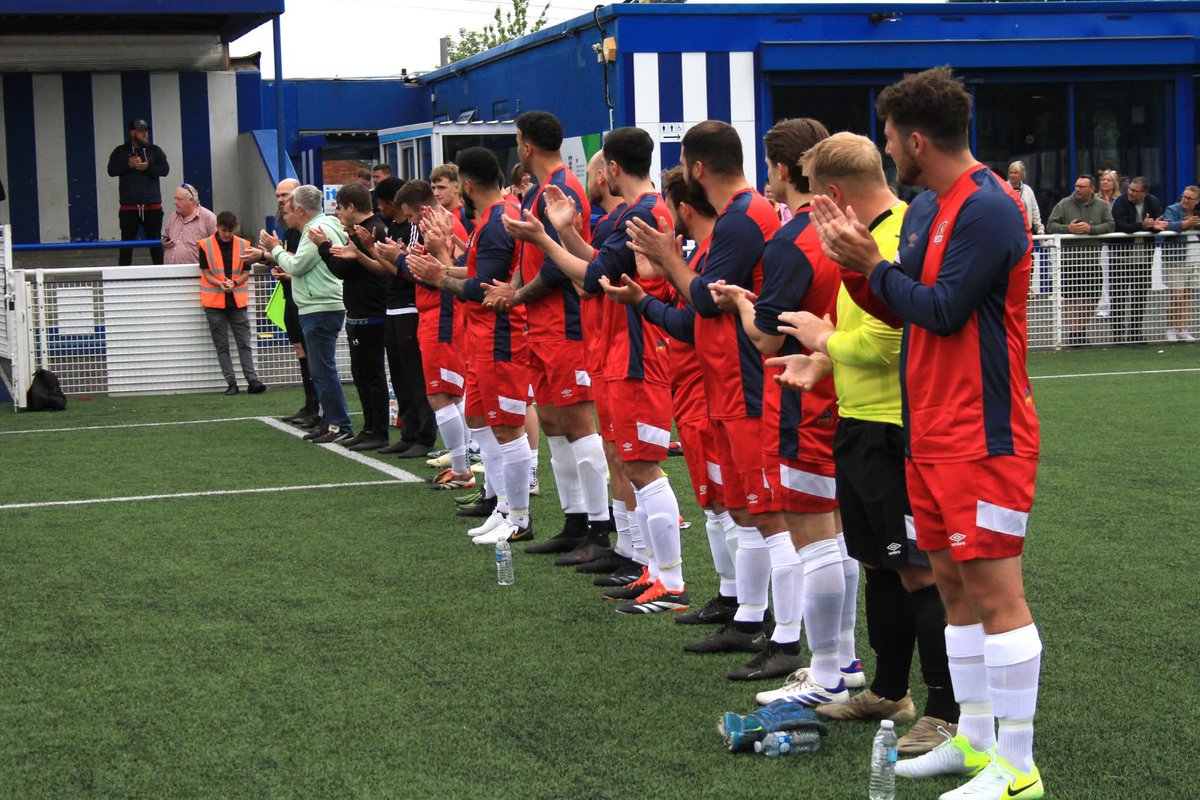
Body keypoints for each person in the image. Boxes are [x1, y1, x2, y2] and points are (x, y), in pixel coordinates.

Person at [811, 66, 1044, 800]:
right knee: (950, 583)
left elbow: (941, 309)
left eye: (889, 139)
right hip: (930, 429)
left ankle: (1018, 770)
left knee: (996, 591)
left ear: (916, 140)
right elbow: (899, 306)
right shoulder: (924, 210)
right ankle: (974, 743)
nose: (888, 151)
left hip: (984, 432)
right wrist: (856, 267)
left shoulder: (989, 208)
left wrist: (872, 263)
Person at [770, 131, 959, 756]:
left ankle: (943, 709)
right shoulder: (874, 232)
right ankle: (888, 689)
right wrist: (824, 363)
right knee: (879, 562)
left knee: (917, 570)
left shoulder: (898, 237)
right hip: (859, 420)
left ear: (829, 193)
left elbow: (889, 343)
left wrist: (825, 344)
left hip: (897, 426)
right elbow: (859, 336)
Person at [502, 127, 690, 615]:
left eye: (596, 167)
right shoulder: (630, 213)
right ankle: (638, 560)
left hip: (638, 350)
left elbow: (591, 279)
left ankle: (667, 580)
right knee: (624, 458)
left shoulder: (648, 213)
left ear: (611, 170)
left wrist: (545, 236)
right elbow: (600, 268)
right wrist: (564, 233)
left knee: (643, 463)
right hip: (613, 348)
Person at [628, 121, 794, 657]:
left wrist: (667, 261)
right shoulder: (741, 217)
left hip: (748, 384)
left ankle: (784, 638)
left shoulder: (744, 219)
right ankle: (747, 616)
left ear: (697, 170)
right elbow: (701, 308)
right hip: (726, 383)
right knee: (745, 510)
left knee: (767, 514)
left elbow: (703, 301)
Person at [705, 117, 855, 694]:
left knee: (813, 536)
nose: (765, 176)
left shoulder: (795, 241)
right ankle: (842, 663)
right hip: (852, 391)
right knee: (839, 536)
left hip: (802, 397)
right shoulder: (855, 228)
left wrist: (743, 303)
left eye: (770, 166)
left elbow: (767, 339)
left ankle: (825, 672)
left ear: (788, 170)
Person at [600, 167, 738, 622]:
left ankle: (679, 583)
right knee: (712, 500)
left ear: (681, 209)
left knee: (736, 507)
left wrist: (651, 287)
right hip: (689, 382)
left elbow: (695, 321)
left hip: (691, 380)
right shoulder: (695, 254)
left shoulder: (711, 251)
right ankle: (665, 574)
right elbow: (684, 319)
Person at [481, 111, 610, 564]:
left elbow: (559, 265)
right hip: (543, 325)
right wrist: (515, 290)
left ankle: (599, 527)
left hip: (568, 324)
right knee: (555, 424)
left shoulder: (562, 189)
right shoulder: (541, 190)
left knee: (579, 424)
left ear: (525, 145)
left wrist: (516, 295)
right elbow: (533, 258)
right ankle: (575, 522)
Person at [407, 147, 536, 546]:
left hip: (501, 338)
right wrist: (443, 266)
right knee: (481, 423)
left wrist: (438, 275)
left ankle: (519, 517)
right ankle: (502, 508)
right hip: (481, 338)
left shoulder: (498, 221)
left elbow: (485, 289)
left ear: (466, 184)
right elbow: (480, 273)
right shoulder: (491, 220)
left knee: (507, 428)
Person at [376, 179, 473, 485]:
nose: (413, 223)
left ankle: (462, 468)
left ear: (421, 209)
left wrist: (400, 258)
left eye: (412, 217)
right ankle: (463, 462)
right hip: (440, 313)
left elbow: (434, 274)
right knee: (451, 393)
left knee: (440, 395)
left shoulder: (440, 224)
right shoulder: (445, 222)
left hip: (441, 314)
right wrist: (404, 254)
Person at [260, 185, 354, 445]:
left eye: (289, 208)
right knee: (321, 368)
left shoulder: (316, 230)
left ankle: (339, 424)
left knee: (323, 369)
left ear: (301, 210)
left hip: (321, 307)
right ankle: (330, 422)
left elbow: (298, 265)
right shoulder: (324, 225)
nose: (286, 213)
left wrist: (274, 249)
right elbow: (307, 267)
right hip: (322, 304)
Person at [309, 182, 392, 451]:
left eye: (340, 208)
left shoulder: (370, 230)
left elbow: (343, 269)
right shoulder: (361, 230)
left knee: (371, 373)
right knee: (362, 373)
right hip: (361, 312)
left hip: (371, 312)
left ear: (352, 207)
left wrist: (323, 245)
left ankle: (377, 430)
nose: (338, 214)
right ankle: (370, 428)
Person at [371, 176, 439, 456]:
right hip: (395, 307)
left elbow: (413, 268)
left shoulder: (419, 228)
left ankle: (425, 436)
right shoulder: (395, 227)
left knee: (415, 376)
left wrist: (392, 256)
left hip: (412, 307)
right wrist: (372, 250)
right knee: (400, 375)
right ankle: (409, 431)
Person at [266, 179, 320, 426]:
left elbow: (301, 264)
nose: (280, 200)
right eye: (278, 195)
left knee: (312, 353)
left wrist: (273, 255)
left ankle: (318, 408)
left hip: (306, 300)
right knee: (300, 351)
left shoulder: (309, 228)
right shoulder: (288, 226)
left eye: (285, 195)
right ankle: (310, 404)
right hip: (290, 296)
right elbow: (291, 261)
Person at [197, 211, 266, 396]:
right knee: (224, 345)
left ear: (235, 228)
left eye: (229, 230)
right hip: (215, 302)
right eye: (223, 230)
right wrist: (221, 283)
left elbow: (245, 272)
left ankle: (252, 380)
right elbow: (206, 272)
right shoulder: (205, 245)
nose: (226, 234)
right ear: (217, 227)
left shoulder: (244, 245)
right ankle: (232, 382)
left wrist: (233, 283)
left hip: (236, 300)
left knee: (243, 343)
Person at [1046, 174, 1114, 346]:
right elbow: (1050, 225)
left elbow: (1110, 225)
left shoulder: (1102, 205)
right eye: (1076, 186)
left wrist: (1092, 229)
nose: (1077, 189)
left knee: (1091, 297)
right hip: (1069, 261)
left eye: (1082, 187)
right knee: (1071, 297)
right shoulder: (1064, 204)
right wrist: (1068, 228)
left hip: (1091, 260)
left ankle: (1081, 327)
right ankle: (1075, 332)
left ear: (1092, 188)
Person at [1111, 176, 1167, 345]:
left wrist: (1154, 228)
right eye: (1130, 189)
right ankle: (1118, 335)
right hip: (1120, 257)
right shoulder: (1120, 202)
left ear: (1144, 192)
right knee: (1119, 295)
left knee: (1140, 294)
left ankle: (1136, 332)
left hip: (1143, 257)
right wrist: (1142, 226)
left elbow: (1158, 224)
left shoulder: (1153, 202)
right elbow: (1121, 226)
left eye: (1135, 191)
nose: (1131, 193)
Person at [107, 118, 170, 266]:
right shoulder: (120, 151)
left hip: (152, 207)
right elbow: (111, 170)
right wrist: (128, 165)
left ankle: (162, 275)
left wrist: (148, 167)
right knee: (126, 246)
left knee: (156, 244)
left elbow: (165, 170)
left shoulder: (155, 150)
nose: (145, 134)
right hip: (129, 208)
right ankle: (123, 278)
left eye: (146, 131)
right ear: (132, 132)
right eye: (141, 131)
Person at [1163, 184, 1200, 341]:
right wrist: (1184, 224)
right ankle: (1171, 328)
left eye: (1189, 198)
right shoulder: (1172, 209)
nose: (1185, 200)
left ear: (1197, 200)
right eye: (1184, 196)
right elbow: (1166, 224)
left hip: (1195, 255)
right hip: (1175, 257)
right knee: (1176, 295)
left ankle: (1183, 328)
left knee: (1188, 294)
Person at [161, 184, 217, 265]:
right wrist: (164, 242)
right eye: (175, 198)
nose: (175, 202)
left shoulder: (208, 218)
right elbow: (165, 236)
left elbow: (218, 246)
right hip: (169, 272)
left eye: (179, 199)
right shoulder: (174, 216)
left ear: (191, 200)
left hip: (195, 273)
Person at [430, 163, 475, 236]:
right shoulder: (435, 216)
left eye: (441, 188)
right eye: (433, 188)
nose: (436, 193)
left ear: (457, 188)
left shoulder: (467, 216)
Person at [1006, 161, 1043, 235]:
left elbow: (1035, 210)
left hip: (1026, 232)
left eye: (1016, 173)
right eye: (1011, 172)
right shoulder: (1002, 188)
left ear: (1022, 175)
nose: (1013, 175)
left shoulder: (1028, 190)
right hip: (1008, 232)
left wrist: (1040, 228)